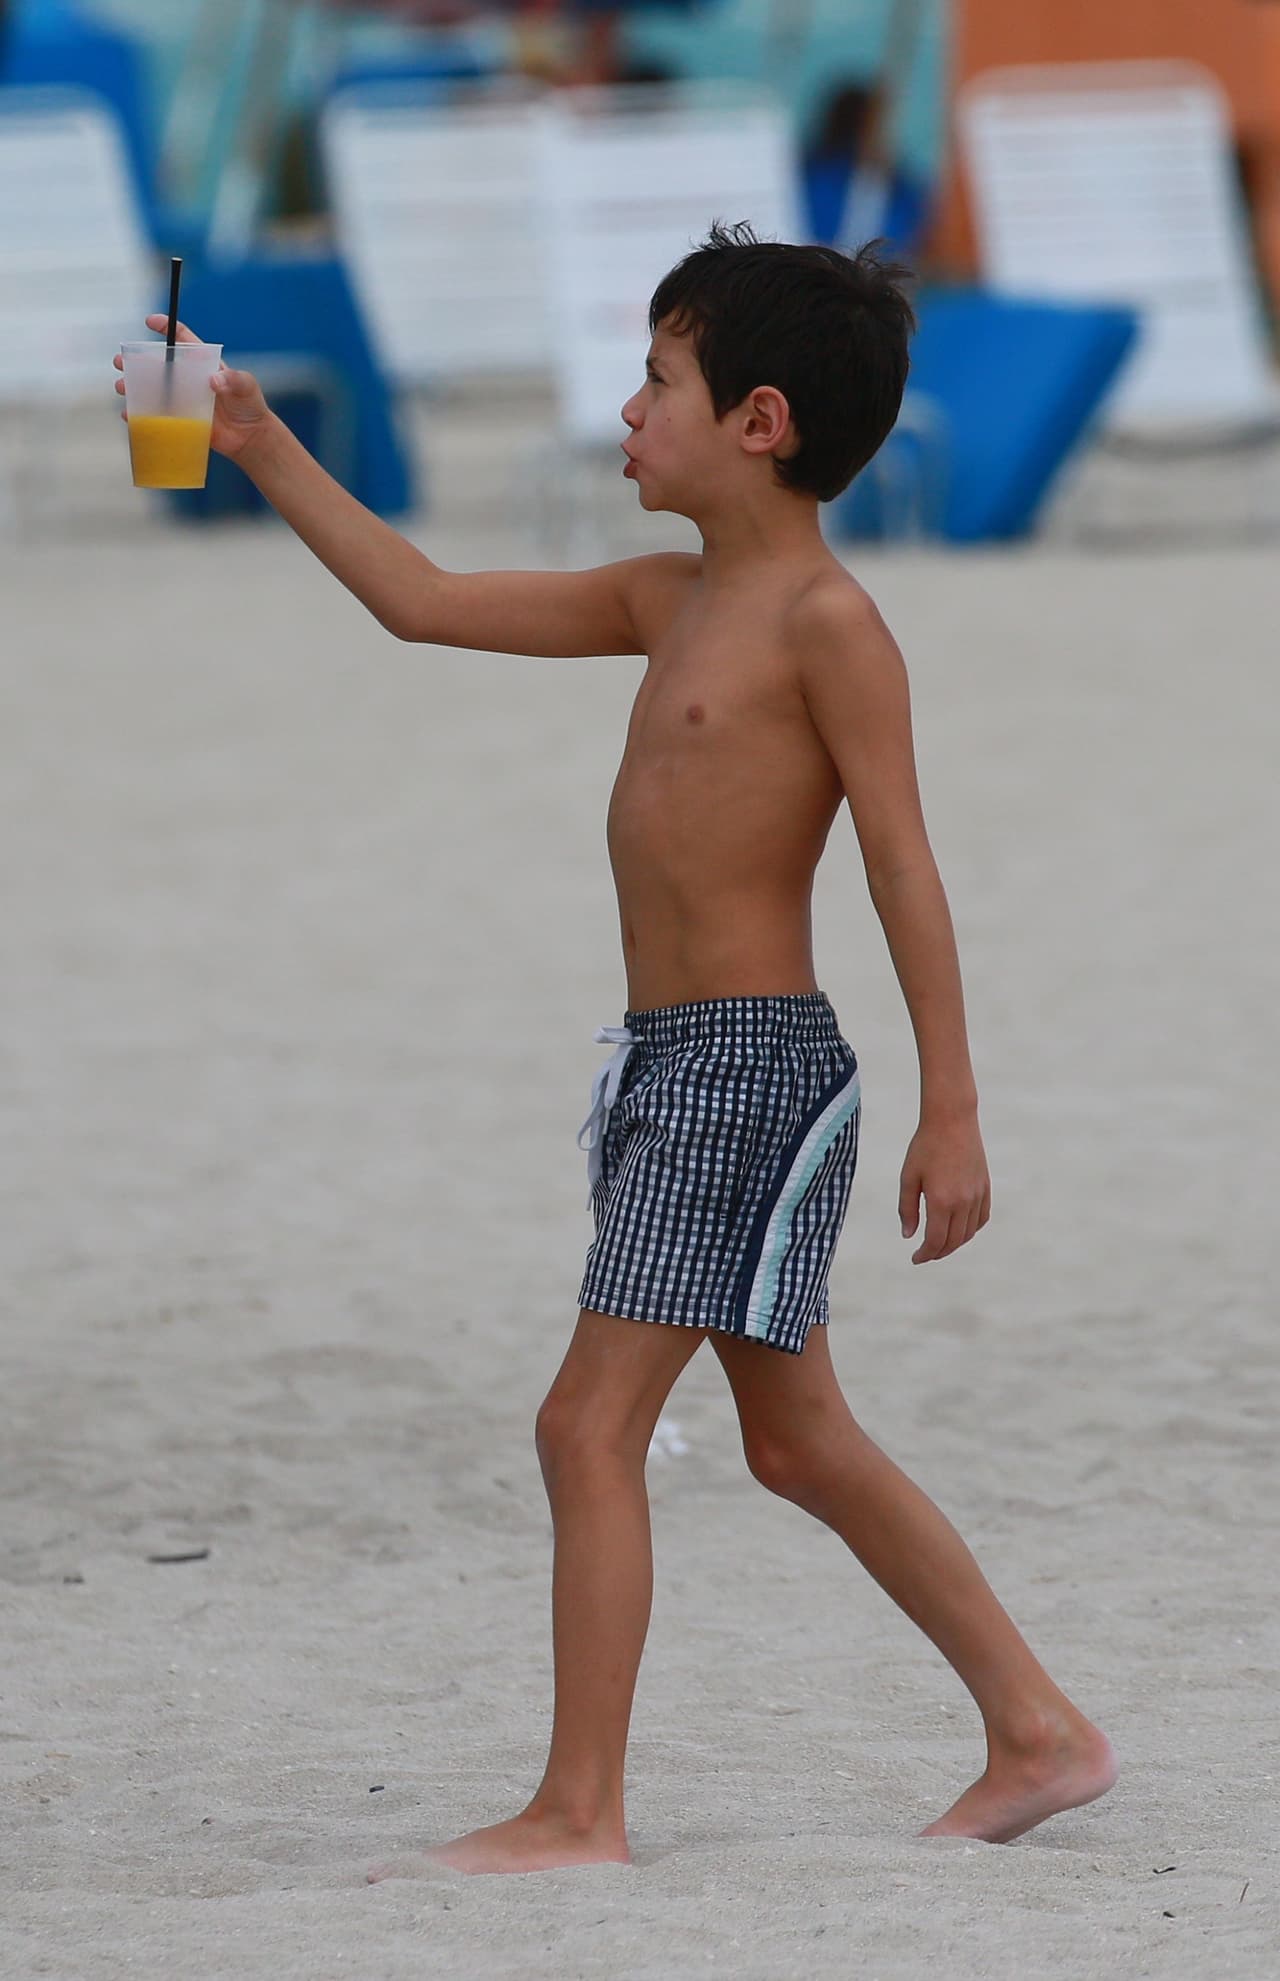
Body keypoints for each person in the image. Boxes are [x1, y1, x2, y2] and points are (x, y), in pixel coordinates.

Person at [113, 222, 1117, 1878]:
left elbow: (902, 864)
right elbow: (424, 602)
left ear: (762, 423)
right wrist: (257, 439)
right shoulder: (667, 598)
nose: (630, 413)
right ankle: (1039, 1729)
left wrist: (955, 1105)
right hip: (663, 1065)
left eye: (659, 382)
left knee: (585, 1424)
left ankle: (580, 1810)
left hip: (749, 1070)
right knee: (795, 1438)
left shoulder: (828, 623)